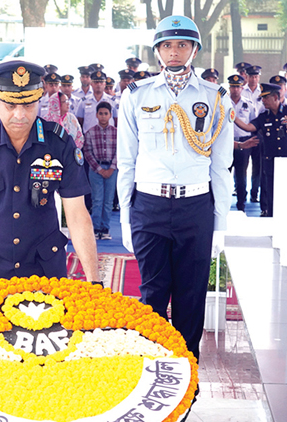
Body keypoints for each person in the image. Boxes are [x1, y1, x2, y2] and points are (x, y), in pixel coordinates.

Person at [117, 15, 232, 360]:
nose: (174, 52)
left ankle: (187, 369)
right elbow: (127, 161)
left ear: (194, 49)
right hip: (149, 205)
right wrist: (125, 215)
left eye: (182, 45)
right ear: (157, 51)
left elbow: (221, 166)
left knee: (191, 294)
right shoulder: (136, 95)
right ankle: (151, 366)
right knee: (152, 292)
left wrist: (221, 224)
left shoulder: (215, 98)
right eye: (167, 45)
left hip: (195, 207)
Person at [0, 60, 100, 292]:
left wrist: (94, 281)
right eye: (10, 105)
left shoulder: (58, 143)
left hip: (44, 270)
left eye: (28, 105)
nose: (20, 115)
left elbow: (77, 214)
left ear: (39, 100)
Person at [234, 83, 287, 217]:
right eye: (262, 98)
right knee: (272, 193)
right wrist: (233, 117)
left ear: (275, 97)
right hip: (271, 161)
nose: (263, 101)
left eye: (266, 98)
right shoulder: (264, 116)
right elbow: (249, 127)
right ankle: (272, 217)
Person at [83, 101, 117, 240]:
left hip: (112, 169)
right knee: (97, 200)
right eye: (101, 114)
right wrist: (99, 169)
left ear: (110, 115)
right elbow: (87, 152)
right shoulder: (90, 132)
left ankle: (105, 228)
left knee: (108, 201)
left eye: (106, 114)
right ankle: (96, 229)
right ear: (96, 115)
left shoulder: (116, 133)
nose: (103, 116)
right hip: (95, 169)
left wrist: (112, 168)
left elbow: (120, 151)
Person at [228, 74, 258, 212]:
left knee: (241, 176)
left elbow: (253, 124)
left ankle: (241, 204)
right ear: (229, 87)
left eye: (238, 87)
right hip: (226, 144)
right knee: (223, 175)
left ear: (242, 87)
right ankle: (220, 204)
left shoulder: (249, 104)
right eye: (233, 87)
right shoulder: (223, 102)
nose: (235, 90)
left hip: (243, 143)